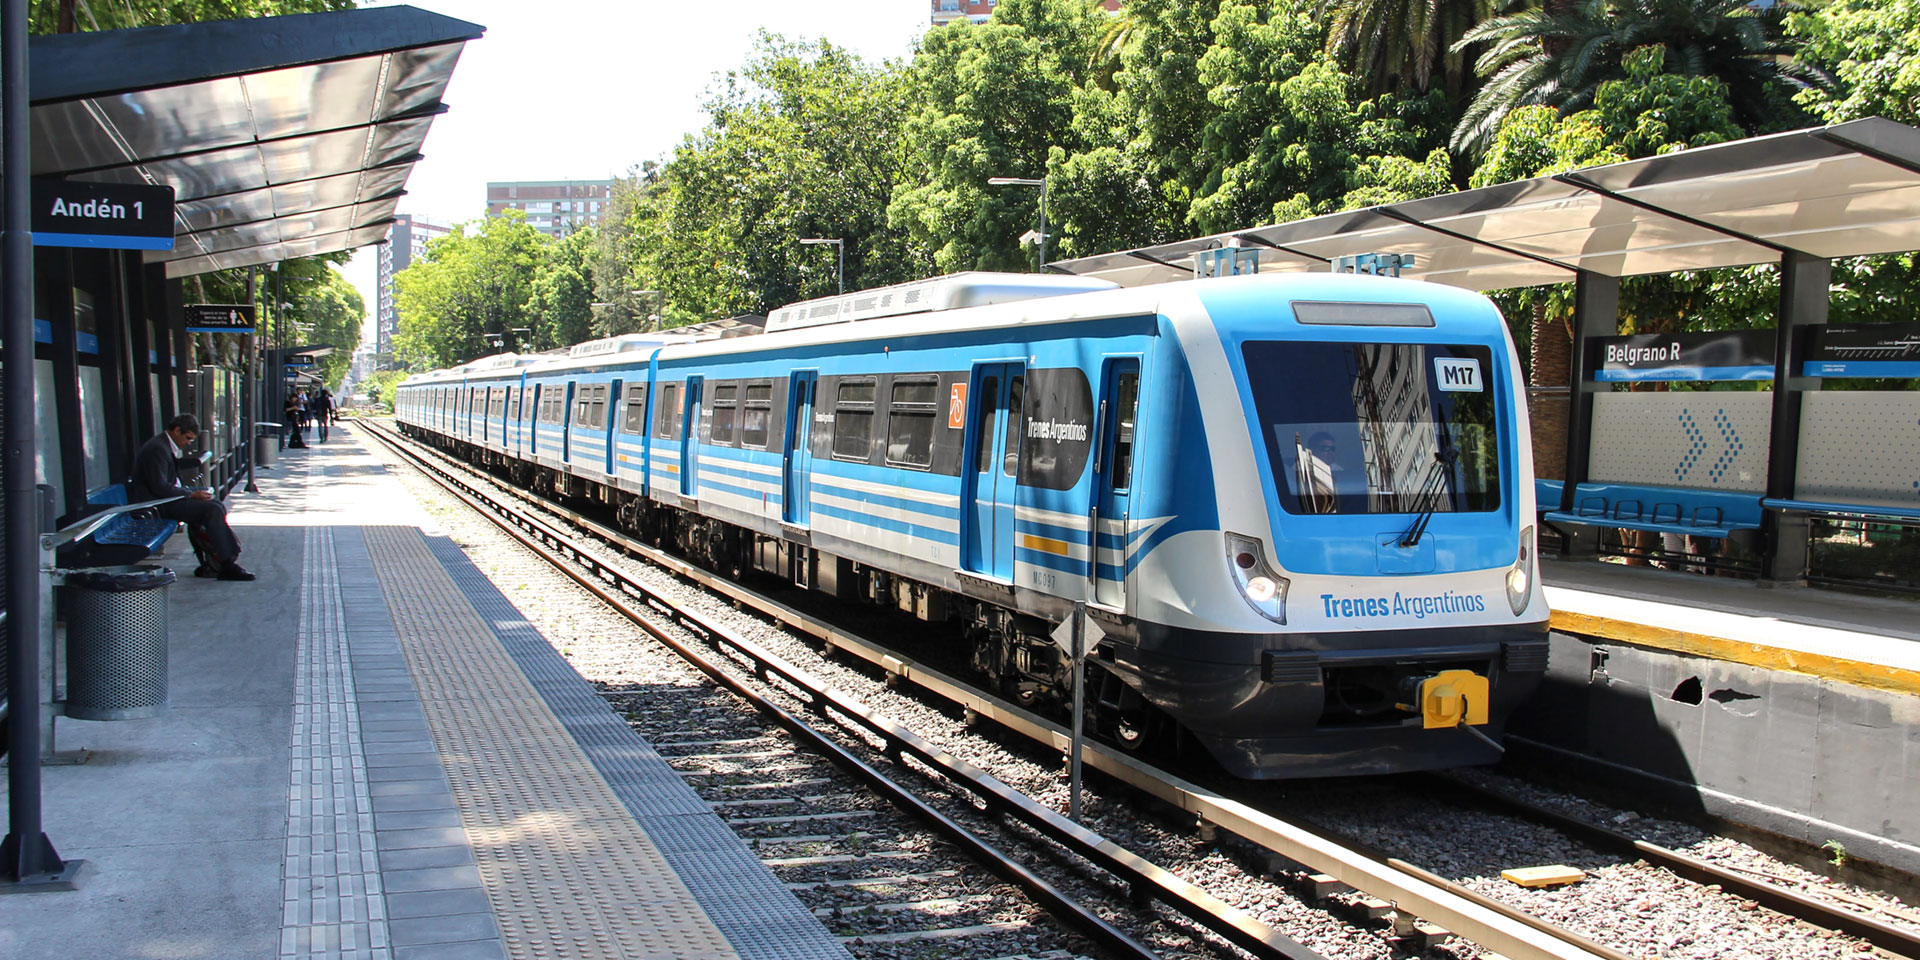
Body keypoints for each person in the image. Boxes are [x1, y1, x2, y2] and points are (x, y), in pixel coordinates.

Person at [131, 414, 254, 581]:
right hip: (157, 505)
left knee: (215, 505)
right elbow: (159, 487)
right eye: (188, 438)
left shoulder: (163, 445)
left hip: (165, 499)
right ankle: (226, 563)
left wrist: (190, 494)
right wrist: (190, 494)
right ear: (176, 431)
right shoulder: (157, 449)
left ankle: (215, 561)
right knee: (211, 510)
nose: (189, 443)